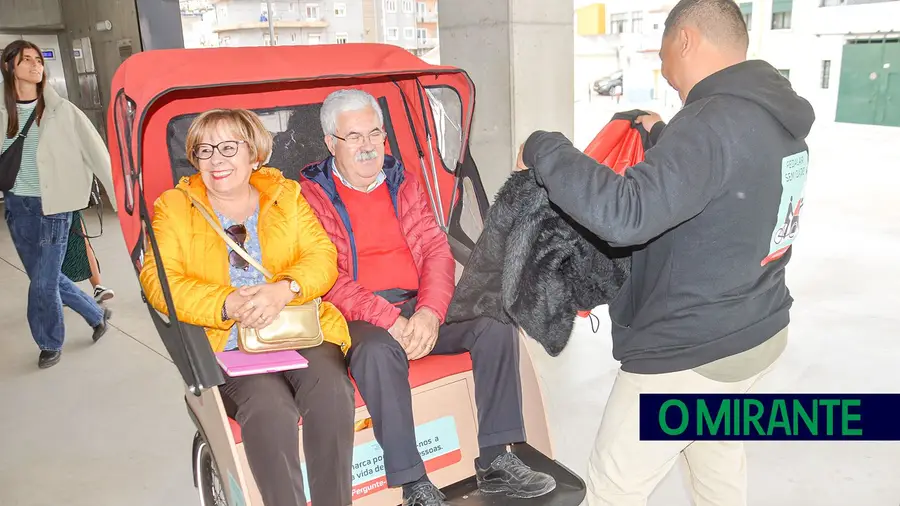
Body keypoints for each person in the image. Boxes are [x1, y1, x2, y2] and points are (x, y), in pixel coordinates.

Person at [515, 0, 815, 504]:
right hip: (755, 333)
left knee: (614, 489)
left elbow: (625, 215)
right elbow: (722, 181)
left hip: (690, 354)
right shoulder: (776, 118)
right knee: (716, 470)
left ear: (687, 41)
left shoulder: (710, 122)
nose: (664, 70)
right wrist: (660, 136)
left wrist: (545, 147)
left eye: (663, 54)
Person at [300, 89, 557, 506]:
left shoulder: (403, 182)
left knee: (495, 320)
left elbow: (435, 249)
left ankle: (496, 460)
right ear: (331, 143)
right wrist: (391, 320)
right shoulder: (310, 196)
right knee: (377, 354)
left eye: (375, 133)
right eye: (354, 137)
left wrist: (430, 312)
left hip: (417, 302)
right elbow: (326, 278)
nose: (367, 145)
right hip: (358, 314)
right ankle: (414, 483)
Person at [138, 108, 355, 506]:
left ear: (254, 153)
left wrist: (283, 289)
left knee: (332, 392)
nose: (216, 159)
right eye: (204, 150)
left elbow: (322, 256)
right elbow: (159, 281)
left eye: (228, 147)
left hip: (295, 324)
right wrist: (226, 302)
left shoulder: (285, 195)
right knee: (270, 410)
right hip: (228, 339)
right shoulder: (174, 207)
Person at [1, 40, 114, 369]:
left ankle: (49, 341)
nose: (36, 66)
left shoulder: (62, 111)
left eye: (39, 60)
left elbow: (98, 154)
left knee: (43, 282)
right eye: (27, 60)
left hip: (55, 206)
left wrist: (123, 201)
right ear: (9, 66)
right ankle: (97, 315)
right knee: (43, 275)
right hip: (17, 204)